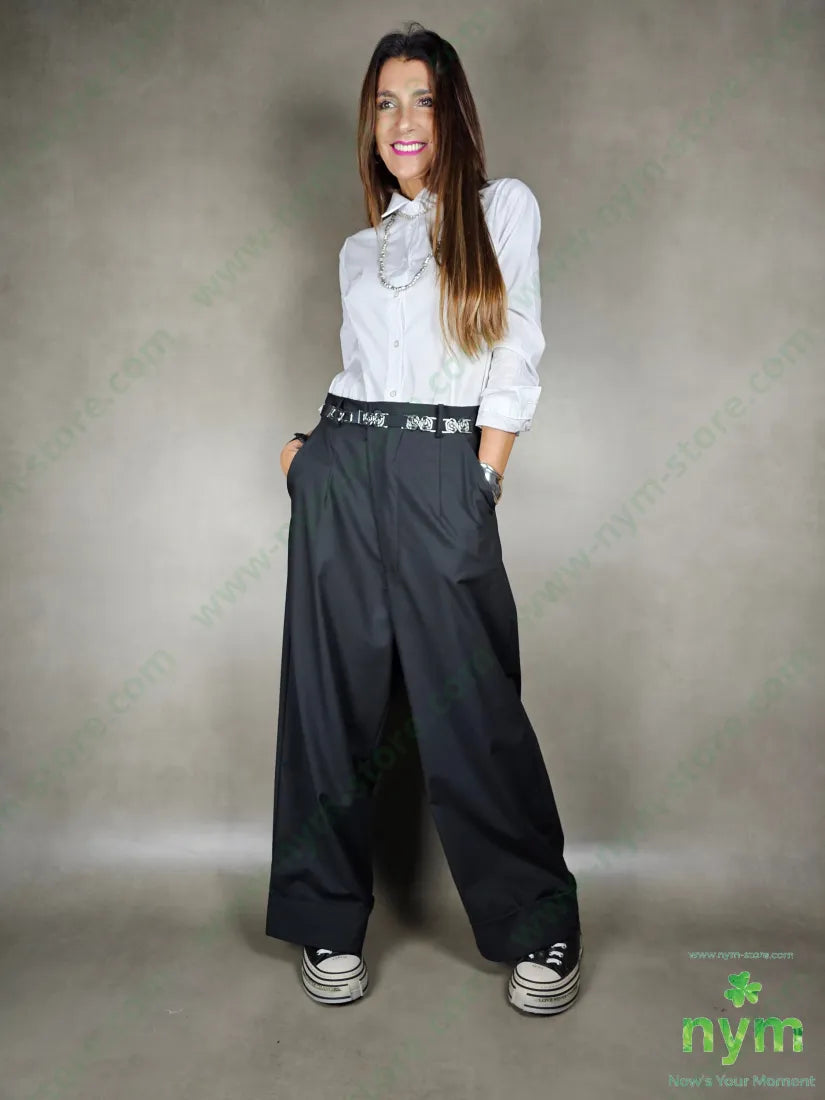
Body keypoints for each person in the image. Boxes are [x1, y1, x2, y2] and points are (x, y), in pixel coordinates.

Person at [265, 21, 582, 1016]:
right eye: (386, 103)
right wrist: (312, 461)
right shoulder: (359, 250)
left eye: (423, 100)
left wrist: (481, 479)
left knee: (471, 705)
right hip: (346, 463)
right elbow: (363, 370)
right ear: (371, 122)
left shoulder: (501, 209)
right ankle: (325, 918)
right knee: (330, 701)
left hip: (445, 466)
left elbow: (515, 347)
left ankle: (537, 920)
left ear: (452, 115)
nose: (402, 120)